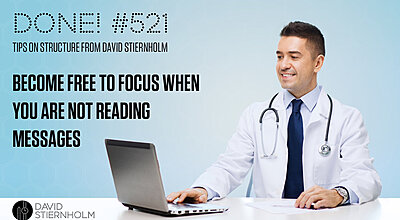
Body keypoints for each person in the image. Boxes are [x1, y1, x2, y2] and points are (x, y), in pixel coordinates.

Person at [166, 21, 381, 209]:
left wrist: (338, 194)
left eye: (294, 57)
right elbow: (230, 166)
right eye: (280, 56)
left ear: (318, 63)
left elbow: (366, 177)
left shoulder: (346, 118)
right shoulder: (256, 114)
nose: (283, 65)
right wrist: (203, 189)